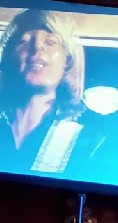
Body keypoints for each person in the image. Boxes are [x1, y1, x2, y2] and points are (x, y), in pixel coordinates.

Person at [0, 8, 96, 176]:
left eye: (51, 42)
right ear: (8, 58)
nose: (37, 47)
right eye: (25, 41)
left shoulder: (87, 141)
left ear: (67, 61)